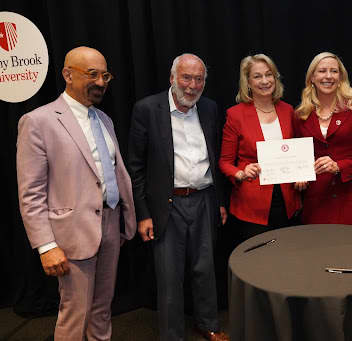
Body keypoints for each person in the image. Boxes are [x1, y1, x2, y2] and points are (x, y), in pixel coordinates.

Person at [16, 46, 136, 341]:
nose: (101, 82)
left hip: (111, 226)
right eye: (92, 74)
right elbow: (31, 192)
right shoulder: (38, 121)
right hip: (71, 234)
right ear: (68, 74)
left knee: (102, 309)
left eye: (105, 75)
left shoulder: (105, 120)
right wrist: (46, 246)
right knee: (75, 313)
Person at [128, 53, 228, 341]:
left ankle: (208, 324)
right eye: (186, 77)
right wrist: (143, 213)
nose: (192, 85)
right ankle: (172, 336)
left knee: (206, 269)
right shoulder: (147, 109)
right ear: (172, 78)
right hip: (166, 204)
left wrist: (220, 200)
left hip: (205, 199)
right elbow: (135, 166)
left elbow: (215, 156)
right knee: (170, 276)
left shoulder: (209, 108)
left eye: (199, 79)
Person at [219, 54, 301, 242]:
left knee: (288, 258)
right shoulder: (235, 115)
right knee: (257, 265)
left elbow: (297, 152)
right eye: (257, 76)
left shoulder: (288, 110)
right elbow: (225, 162)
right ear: (247, 81)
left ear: (275, 77)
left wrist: (302, 176)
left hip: (288, 202)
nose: (265, 81)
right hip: (252, 206)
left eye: (268, 74)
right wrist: (240, 173)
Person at [294, 52, 352, 225]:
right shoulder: (301, 114)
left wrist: (339, 166)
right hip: (317, 202)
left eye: (334, 71)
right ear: (312, 78)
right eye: (322, 71)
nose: (328, 76)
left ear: (341, 77)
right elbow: (299, 157)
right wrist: (299, 175)